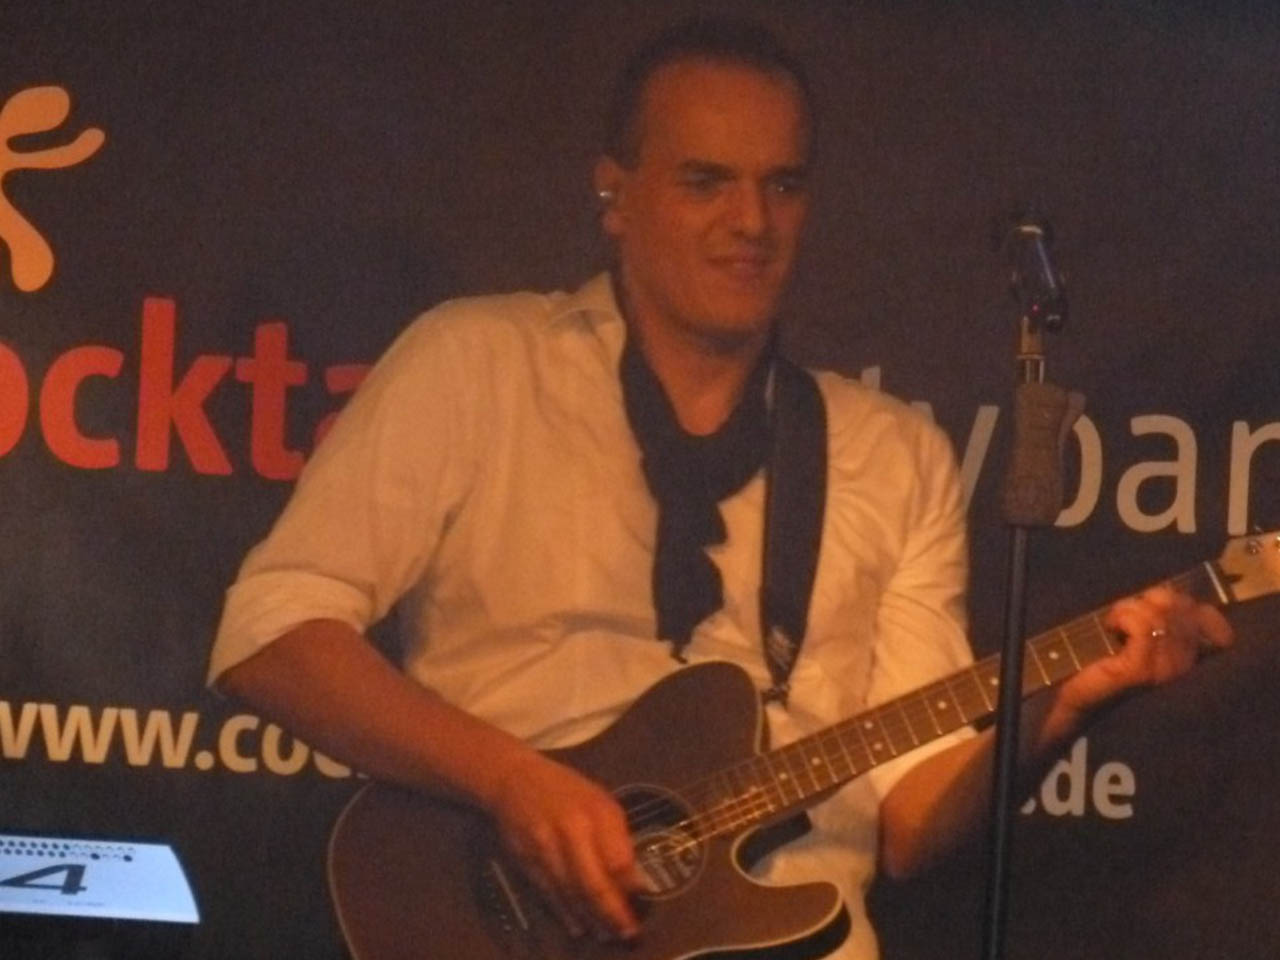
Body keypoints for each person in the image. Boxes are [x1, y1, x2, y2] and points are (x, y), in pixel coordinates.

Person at [206, 18, 1233, 960]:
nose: (751, 221)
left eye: (782, 186)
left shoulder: (894, 454)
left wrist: (1063, 702)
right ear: (614, 195)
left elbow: (909, 819)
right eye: (706, 182)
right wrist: (511, 780)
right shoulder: (477, 364)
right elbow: (269, 632)